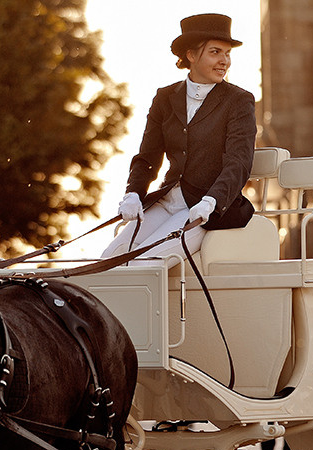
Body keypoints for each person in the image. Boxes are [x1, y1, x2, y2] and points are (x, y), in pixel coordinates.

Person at [102, 13, 257, 264]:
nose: (224, 61)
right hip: (166, 200)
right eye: (216, 52)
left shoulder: (238, 101)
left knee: (146, 263)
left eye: (227, 54)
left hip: (205, 208)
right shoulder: (164, 98)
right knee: (109, 258)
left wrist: (212, 201)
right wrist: (133, 193)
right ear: (191, 55)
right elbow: (147, 156)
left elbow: (238, 161)